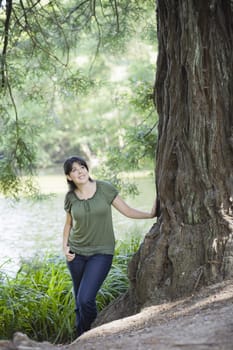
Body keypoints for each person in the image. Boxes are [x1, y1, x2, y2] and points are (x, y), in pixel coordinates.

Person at [62, 155, 157, 337]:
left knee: (85, 299)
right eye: (74, 169)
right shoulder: (70, 197)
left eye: (82, 166)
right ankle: (81, 337)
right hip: (76, 255)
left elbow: (127, 210)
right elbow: (68, 224)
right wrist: (65, 247)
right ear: (69, 177)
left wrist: (150, 214)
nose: (80, 171)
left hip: (101, 253)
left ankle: (90, 336)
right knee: (79, 302)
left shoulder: (105, 188)